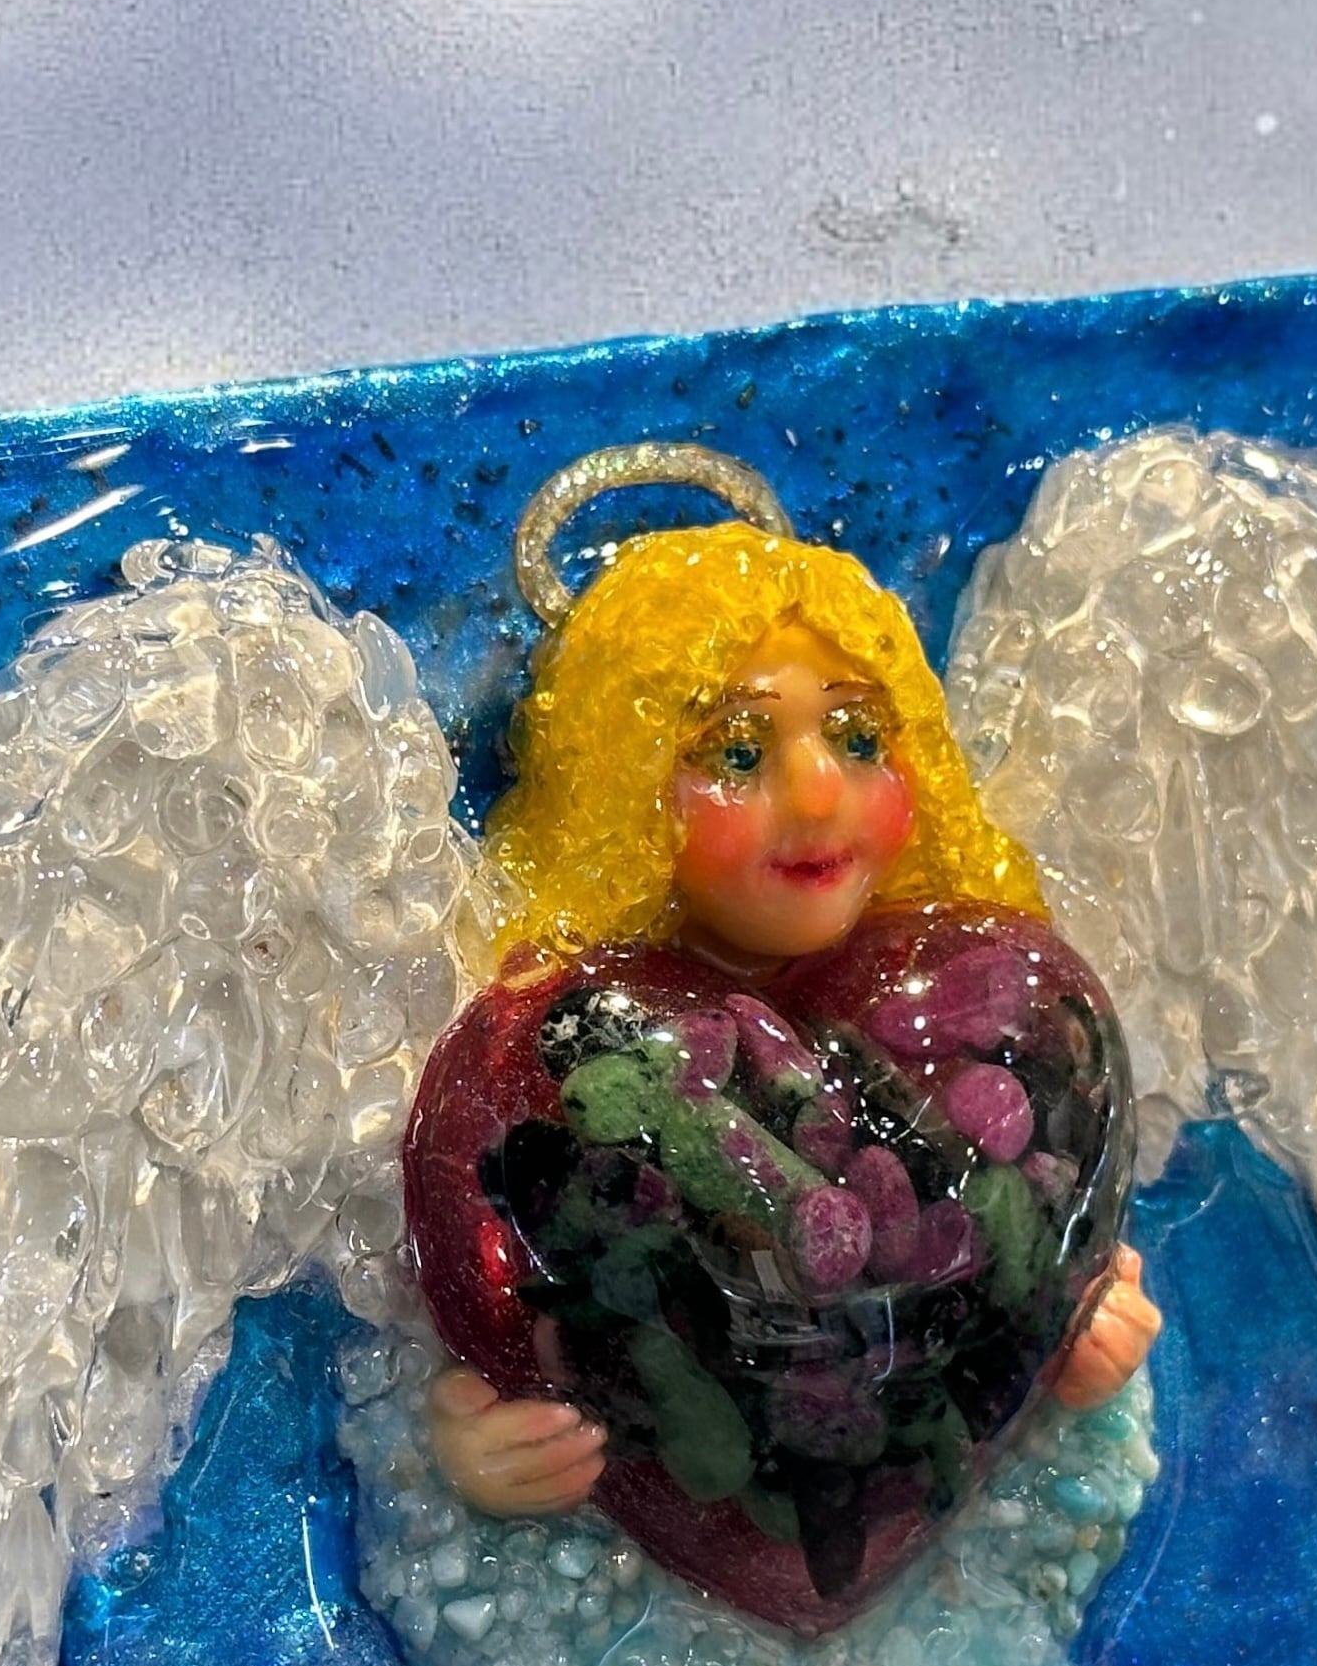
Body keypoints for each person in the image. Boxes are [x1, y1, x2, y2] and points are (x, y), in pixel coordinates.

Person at [418, 515, 1163, 1521]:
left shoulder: (986, 1003)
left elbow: (1030, 1242)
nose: (816, 792)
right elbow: (510, 1290)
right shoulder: (562, 1048)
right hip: (706, 1508)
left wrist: (1077, 1333)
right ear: (623, 788)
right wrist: (467, 1445)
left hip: (912, 1495)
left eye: (858, 738)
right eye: (736, 751)